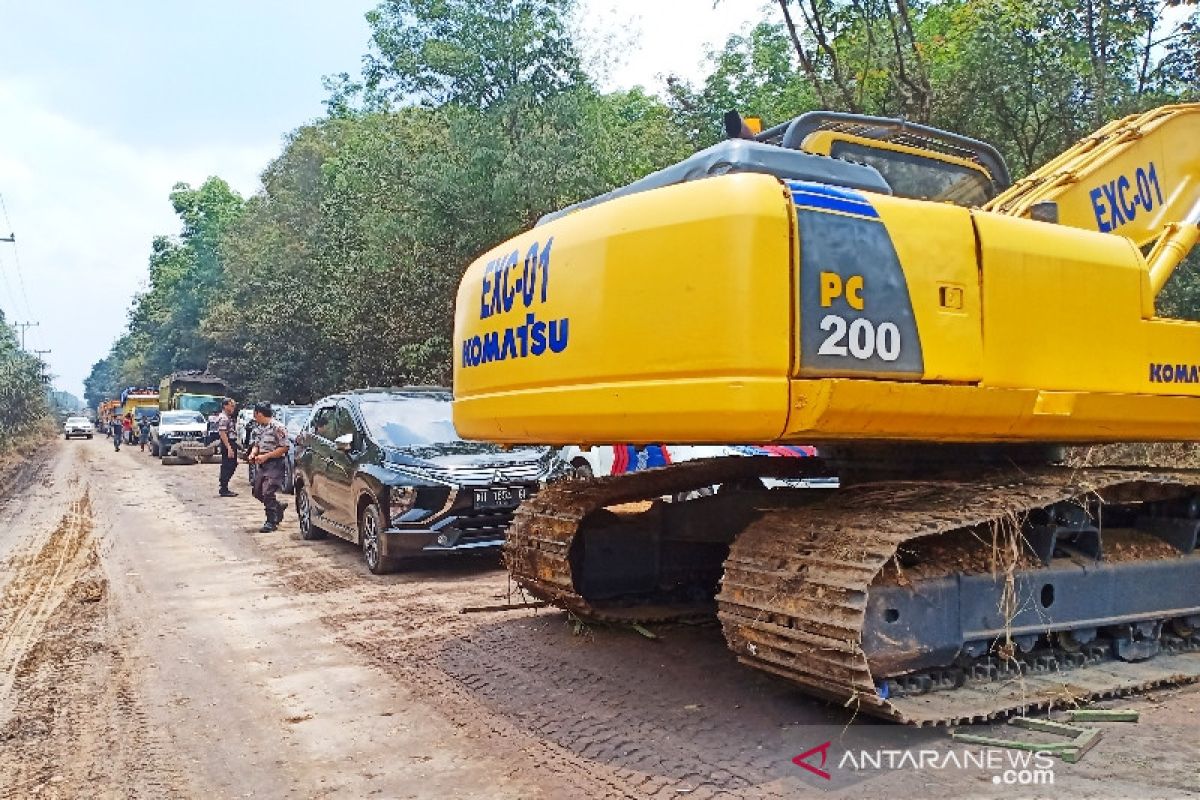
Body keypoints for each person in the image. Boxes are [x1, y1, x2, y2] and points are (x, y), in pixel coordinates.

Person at [248, 402, 289, 532]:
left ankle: (271, 521)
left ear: (259, 413)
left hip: (275, 463)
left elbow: (284, 447)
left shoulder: (278, 427)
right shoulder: (259, 428)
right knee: (258, 492)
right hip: (262, 463)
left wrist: (267, 456)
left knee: (267, 492)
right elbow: (257, 444)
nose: (254, 417)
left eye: (255, 414)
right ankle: (277, 507)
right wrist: (253, 453)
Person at [216, 398, 239, 497]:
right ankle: (223, 487)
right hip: (228, 443)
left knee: (232, 464)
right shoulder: (224, 418)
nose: (233, 407)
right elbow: (222, 433)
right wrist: (229, 447)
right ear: (225, 406)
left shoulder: (228, 417)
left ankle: (224, 486)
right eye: (231, 405)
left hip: (231, 442)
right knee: (228, 464)